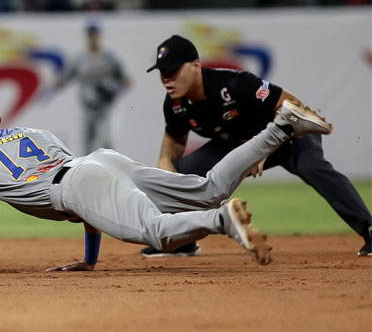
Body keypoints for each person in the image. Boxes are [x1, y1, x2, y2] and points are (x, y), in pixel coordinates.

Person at [0, 89, 332, 273]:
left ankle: (223, 222)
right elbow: (83, 188)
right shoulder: (34, 133)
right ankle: (281, 126)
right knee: (207, 188)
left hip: (80, 183)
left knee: (158, 232)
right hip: (100, 163)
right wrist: (90, 258)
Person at [143, 34, 371, 258]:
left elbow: (294, 107)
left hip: (288, 137)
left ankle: (368, 228)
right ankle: (181, 240)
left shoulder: (233, 84)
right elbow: (170, 151)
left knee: (312, 166)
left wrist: (264, 148)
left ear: (195, 66)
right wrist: (169, 177)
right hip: (236, 146)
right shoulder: (175, 105)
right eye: (163, 73)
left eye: (173, 71)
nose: (167, 79)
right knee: (184, 171)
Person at [56, 22, 129, 153]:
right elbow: (64, 79)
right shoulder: (79, 58)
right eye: (90, 34)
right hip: (88, 106)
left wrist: (116, 92)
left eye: (95, 34)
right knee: (88, 144)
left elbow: (126, 81)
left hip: (107, 106)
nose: (93, 37)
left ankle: (112, 171)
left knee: (109, 141)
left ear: (100, 35)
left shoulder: (111, 56)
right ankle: (88, 172)